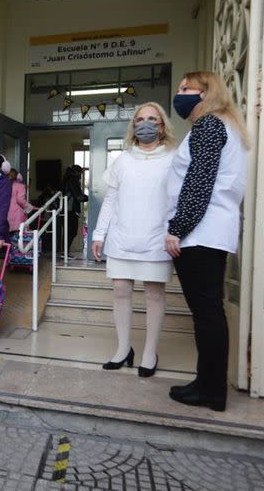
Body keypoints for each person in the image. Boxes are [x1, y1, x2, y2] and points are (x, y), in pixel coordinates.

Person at [165, 71, 248, 412]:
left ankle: (211, 390)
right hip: (210, 232)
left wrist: (177, 228)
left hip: (199, 233)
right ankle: (207, 384)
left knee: (207, 313)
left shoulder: (210, 126)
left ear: (206, 92)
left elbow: (199, 184)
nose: (180, 93)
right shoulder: (222, 126)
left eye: (187, 89)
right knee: (209, 312)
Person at [91, 102, 177, 378]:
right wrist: (98, 234)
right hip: (122, 237)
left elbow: (178, 201)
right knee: (120, 291)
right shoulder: (123, 160)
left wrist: (177, 232)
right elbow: (111, 200)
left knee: (154, 294)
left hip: (157, 238)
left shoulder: (175, 158)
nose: (146, 124)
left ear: (162, 126)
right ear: (133, 126)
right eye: (140, 119)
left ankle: (150, 352)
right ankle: (123, 348)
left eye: (152, 119)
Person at [62, 165, 89, 257]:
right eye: (80, 173)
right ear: (76, 172)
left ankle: (65, 252)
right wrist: (90, 198)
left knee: (70, 232)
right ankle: (65, 252)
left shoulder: (69, 179)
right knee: (72, 232)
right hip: (70, 209)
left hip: (68, 210)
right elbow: (78, 197)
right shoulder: (72, 180)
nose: (81, 175)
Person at [7, 168, 34, 234]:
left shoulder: (5, 186)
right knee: (18, 238)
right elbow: (20, 200)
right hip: (17, 216)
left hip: (7, 215)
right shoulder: (20, 186)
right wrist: (29, 207)